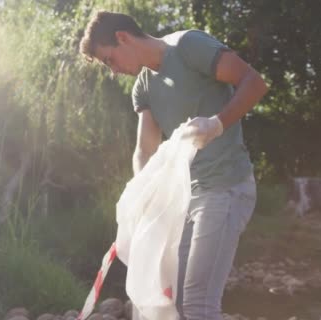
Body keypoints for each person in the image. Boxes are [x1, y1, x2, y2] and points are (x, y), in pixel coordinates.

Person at [79, 11, 269, 320]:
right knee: (175, 303)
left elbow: (254, 82)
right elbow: (145, 149)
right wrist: (143, 194)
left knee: (198, 304)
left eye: (109, 60)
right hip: (185, 200)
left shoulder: (189, 47)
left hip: (226, 188)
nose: (112, 70)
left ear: (122, 38)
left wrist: (218, 124)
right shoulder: (143, 85)